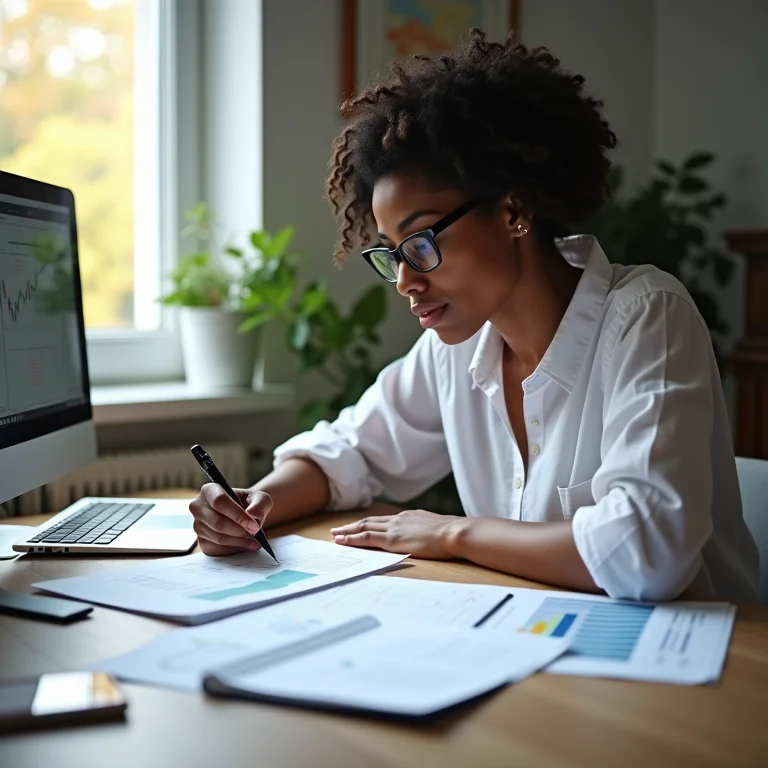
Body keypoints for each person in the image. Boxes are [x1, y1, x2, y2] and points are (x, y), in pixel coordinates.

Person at [190, 30, 759, 603]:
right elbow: (350, 454)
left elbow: (647, 552)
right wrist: (248, 505)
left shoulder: (647, 317)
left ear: (514, 210)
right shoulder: (456, 347)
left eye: (421, 242)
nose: (407, 281)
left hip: (706, 664)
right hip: (539, 644)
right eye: (392, 253)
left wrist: (454, 533)